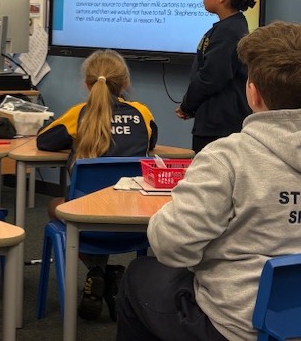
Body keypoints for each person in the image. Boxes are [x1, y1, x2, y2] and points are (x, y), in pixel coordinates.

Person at [116, 20, 301, 341]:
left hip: (239, 325)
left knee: (139, 274)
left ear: (253, 93)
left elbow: (172, 249)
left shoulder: (226, 158)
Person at [37, 49, 158, 322]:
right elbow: (151, 142)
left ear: (87, 84)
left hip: (87, 222)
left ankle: (97, 271)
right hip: (136, 221)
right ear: (125, 83)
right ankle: (108, 274)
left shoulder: (79, 114)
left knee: (55, 205)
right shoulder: (141, 112)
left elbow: (44, 141)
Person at [176, 0, 257, 153]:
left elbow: (210, 77)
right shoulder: (226, 27)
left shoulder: (229, 31)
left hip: (220, 127)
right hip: (214, 122)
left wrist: (187, 106)